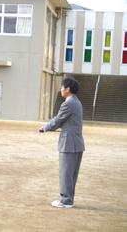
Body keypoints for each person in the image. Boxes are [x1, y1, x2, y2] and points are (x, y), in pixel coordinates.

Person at [39, 77, 85, 208]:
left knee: (66, 173)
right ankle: (68, 199)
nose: (60, 90)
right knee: (71, 174)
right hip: (76, 143)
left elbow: (58, 120)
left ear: (67, 89)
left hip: (69, 143)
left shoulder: (68, 103)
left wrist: (45, 127)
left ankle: (66, 200)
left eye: (62, 87)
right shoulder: (76, 101)